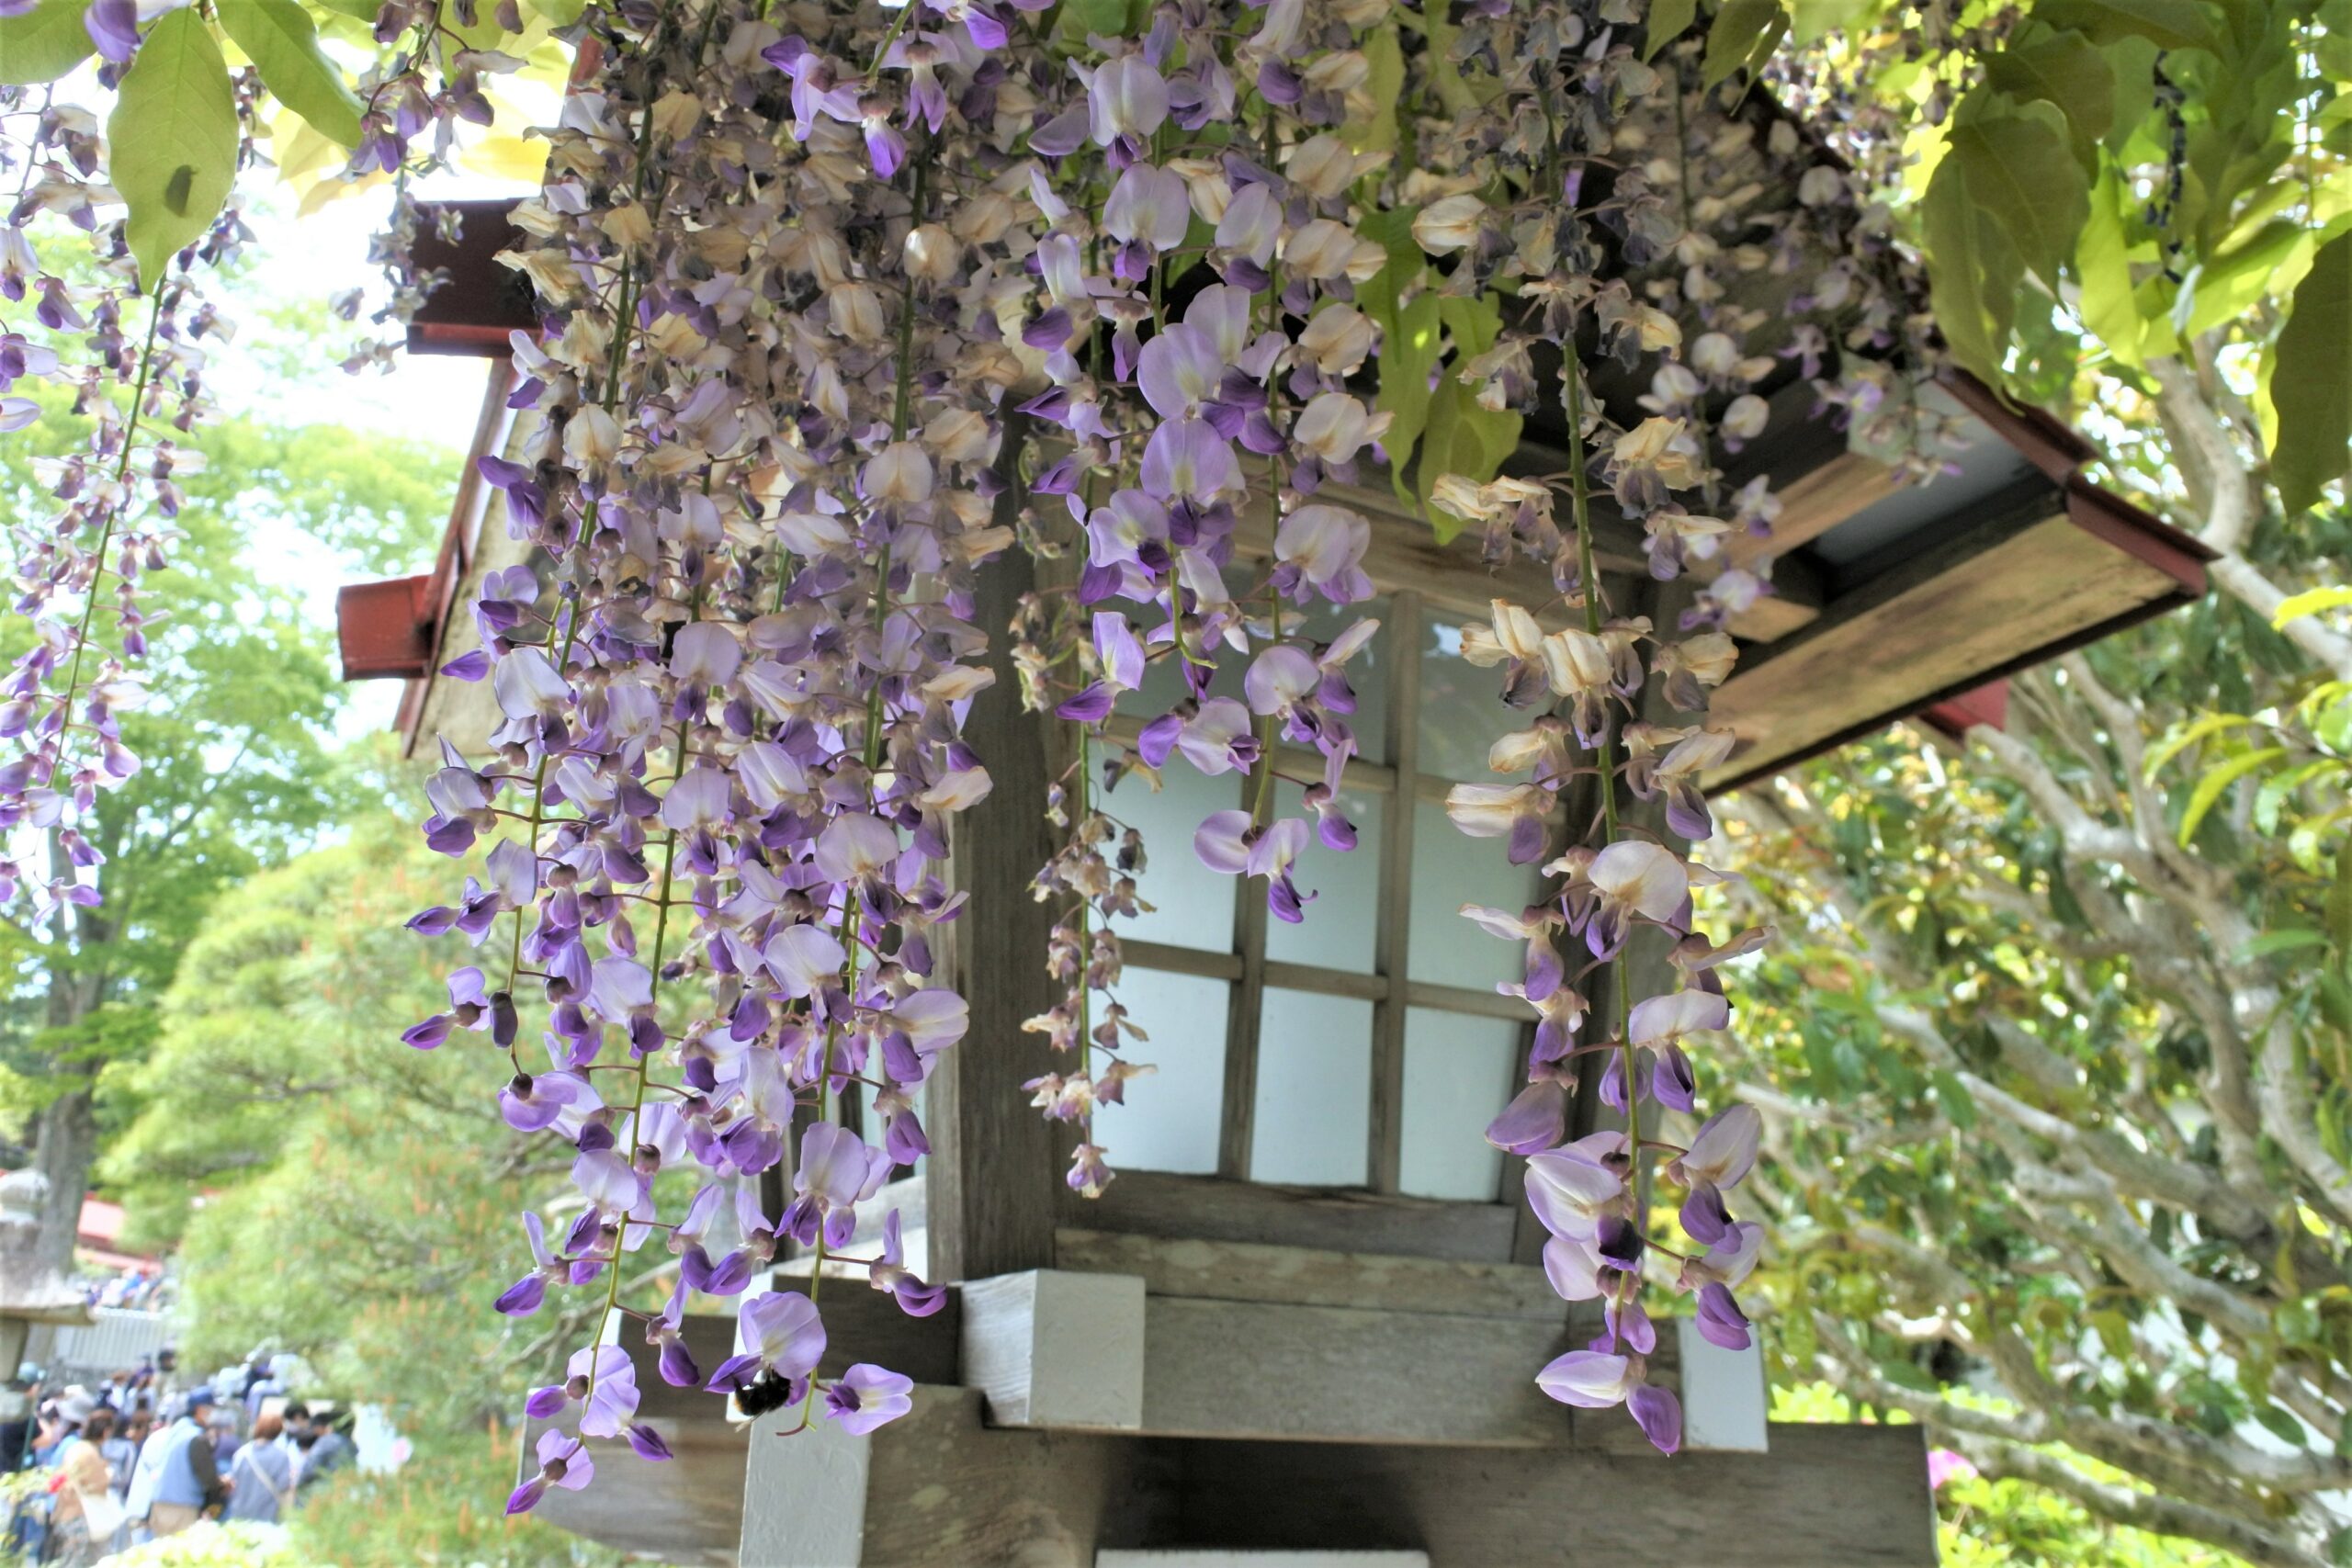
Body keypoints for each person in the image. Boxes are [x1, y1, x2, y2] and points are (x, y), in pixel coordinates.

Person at [130, 1387, 224, 1538]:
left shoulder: (177, 1430)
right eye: (212, 1408)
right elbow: (208, 1477)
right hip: (182, 1508)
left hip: (159, 1504)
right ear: (200, 1410)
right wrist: (222, 1484)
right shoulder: (195, 1437)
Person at [45, 1393, 118, 1568]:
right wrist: (108, 1474)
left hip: (63, 1513)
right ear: (106, 1432)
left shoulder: (75, 1446)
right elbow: (98, 1485)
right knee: (77, 1562)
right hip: (79, 1516)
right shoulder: (89, 1452)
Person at [223, 1413, 295, 1524]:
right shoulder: (281, 1456)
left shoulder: (242, 1453)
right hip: (267, 1515)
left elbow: (233, 1480)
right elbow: (283, 1485)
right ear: (278, 1431)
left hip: (240, 1514)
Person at [297, 1406, 353, 1495]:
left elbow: (309, 1469)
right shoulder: (350, 1444)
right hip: (344, 1490)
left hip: (325, 1490)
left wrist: (298, 1485)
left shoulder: (327, 1441)